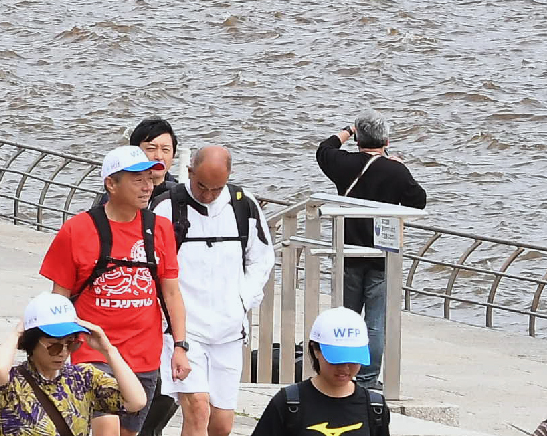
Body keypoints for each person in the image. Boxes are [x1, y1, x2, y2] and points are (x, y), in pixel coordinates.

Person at [41, 145, 191, 435]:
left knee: (127, 432)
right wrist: (52, 349)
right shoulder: (77, 229)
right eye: (138, 180)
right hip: (92, 351)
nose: (147, 187)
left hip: (144, 354)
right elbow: (58, 297)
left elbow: (171, 293)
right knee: (105, 426)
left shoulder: (159, 229)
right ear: (111, 183)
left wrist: (180, 348)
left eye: (150, 179)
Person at [147, 145, 271, 436]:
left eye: (216, 188)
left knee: (222, 424)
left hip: (229, 331)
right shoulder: (167, 207)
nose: (207, 194)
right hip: (182, 330)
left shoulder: (244, 205)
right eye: (201, 185)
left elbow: (261, 259)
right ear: (189, 172)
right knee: (197, 407)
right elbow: (153, 266)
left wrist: (242, 301)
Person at [315, 114, 424, 391]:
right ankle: (367, 379)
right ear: (386, 141)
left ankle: (340, 372)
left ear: (359, 140)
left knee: (346, 318)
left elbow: (324, 149)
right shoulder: (395, 171)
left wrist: (348, 130)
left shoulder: (343, 164)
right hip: (383, 254)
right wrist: (400, 167)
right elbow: (418, 201)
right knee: (375, 323)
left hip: (347, 251)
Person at [0, 294, 141, 436]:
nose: (63, 352)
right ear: (32, 343)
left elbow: (136, 401)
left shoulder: (83, 377)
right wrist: (16, 334)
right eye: (54, 345)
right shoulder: (14, 382)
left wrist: (109, 351)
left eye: (70, 344)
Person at [250, 308, 389, 436]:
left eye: (353, 360)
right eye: (336, 360)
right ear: (315, 350)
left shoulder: (375, 408)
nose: (345, 368)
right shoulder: (288, 403)